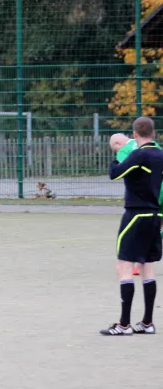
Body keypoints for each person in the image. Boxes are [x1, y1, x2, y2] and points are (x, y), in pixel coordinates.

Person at [100, 117, 163, 336]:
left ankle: (124, 324)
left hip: (136, 215)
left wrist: (117, 154)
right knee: (147, 265)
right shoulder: (160, 154)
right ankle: (147, 322)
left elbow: (115, 173)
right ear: (153, 133)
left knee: (125, 263)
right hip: (156, 214)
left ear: (135, 135)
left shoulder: (139, 154)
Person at [110, 132, 163, 276]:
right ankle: (144, 262)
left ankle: (131, 263)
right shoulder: (154, 146)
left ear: (117, 145)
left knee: (136, 230)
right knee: (157, 223)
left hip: (148, 197)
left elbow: (121, 171)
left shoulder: (125, 151)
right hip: (159, 189)